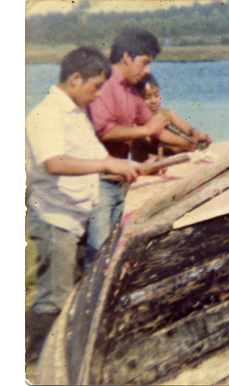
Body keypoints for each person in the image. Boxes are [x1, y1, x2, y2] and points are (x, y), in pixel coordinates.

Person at [25, 46, 143, 362]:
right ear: (76, 79)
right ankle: (36, 363)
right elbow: (55, 162)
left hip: (75, 217)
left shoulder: (76, 114)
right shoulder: (47, 114)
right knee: (54, 298)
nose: (99, 93)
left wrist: (131, 168)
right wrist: (108, 166)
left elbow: (96, 157)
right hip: (54, 218)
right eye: (95, 86)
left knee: (70, 292)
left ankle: (56, 358)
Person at [86, 27, 198, 264]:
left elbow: (154, 126)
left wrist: (189, 143)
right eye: (145, 63)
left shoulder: (129, 89)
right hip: (96, 182)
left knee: (110, 250)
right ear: (127, 57)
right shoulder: (102, 83)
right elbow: (104, 130)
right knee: (97, 255)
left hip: (117, 182)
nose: (147, 70)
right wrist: (146, 130)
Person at [133, 73, 212, 158]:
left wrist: (198, 136)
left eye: (156, 95)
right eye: (147, 98)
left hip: (166, 167)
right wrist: (188, 144)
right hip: (146, 166)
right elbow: (152, 149)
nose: (154, 101)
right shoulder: (136, 125)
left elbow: (189, 129)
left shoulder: (167, 114)